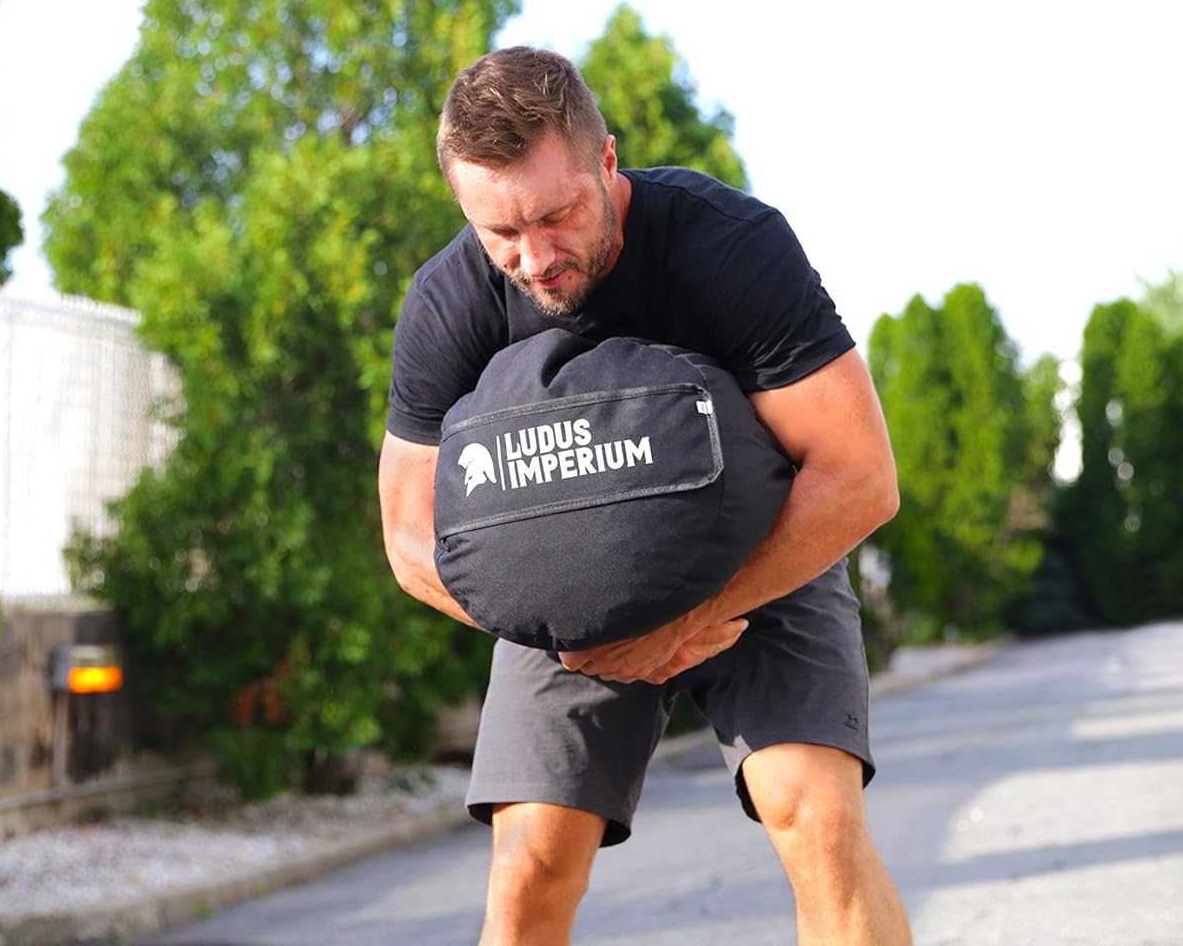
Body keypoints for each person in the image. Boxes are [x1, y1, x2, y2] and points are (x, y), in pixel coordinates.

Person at [379, 46, 910, 945]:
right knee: (528, 870)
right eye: (500, 232)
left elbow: (859, 476)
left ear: (608, 161)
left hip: (763, 554)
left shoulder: (728, 246)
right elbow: (406, 533)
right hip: (564, 606)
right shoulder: (450, 299)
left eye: (557, 215)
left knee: (813, 817)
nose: (535, 259)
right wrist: (565, 629)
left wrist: (687, 620)